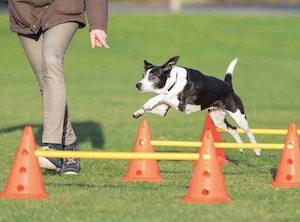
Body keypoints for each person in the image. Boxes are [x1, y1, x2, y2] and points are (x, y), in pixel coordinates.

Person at [8, 0, 109, 175]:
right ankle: (70, 145)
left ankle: (52, 147)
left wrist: (98, 24)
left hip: (63, 8)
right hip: (25, 13)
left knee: (51, 60)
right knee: (45, 82)